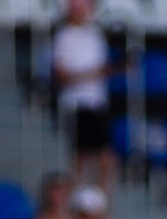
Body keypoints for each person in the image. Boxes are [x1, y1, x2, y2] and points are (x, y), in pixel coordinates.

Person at [51, 0, 116, 190]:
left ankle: (100, 202)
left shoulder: (95, 35)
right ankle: (75, 199)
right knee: (82, 157)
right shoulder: (64, 37)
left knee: (105, 158)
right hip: (77, 103)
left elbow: (102, 70)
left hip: (97, 103)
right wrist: (91, 74)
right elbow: (62, 74)